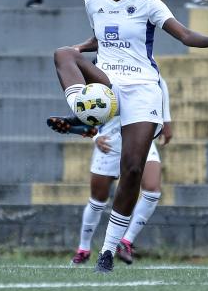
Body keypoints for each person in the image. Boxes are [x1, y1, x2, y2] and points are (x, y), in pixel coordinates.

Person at [46, 0, 208, 273]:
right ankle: (82, 111)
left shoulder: (150, 5)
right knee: (63, 53)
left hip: (142, 90)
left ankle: (108, 251)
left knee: (134, 169)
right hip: (108, 85)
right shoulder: (93, 2)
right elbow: (102, 36)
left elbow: (184, 35)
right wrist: (79, 49)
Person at [71, 78, 172, 266]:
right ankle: (84, 249)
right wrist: (95, 136)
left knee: (152, 190)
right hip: (108, 141)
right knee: (98, 201)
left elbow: (160, 83)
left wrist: (166, 120)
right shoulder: (100, 69)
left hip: (140, 138)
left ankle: (125, 242)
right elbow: (86, 107)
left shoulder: (144, 65)